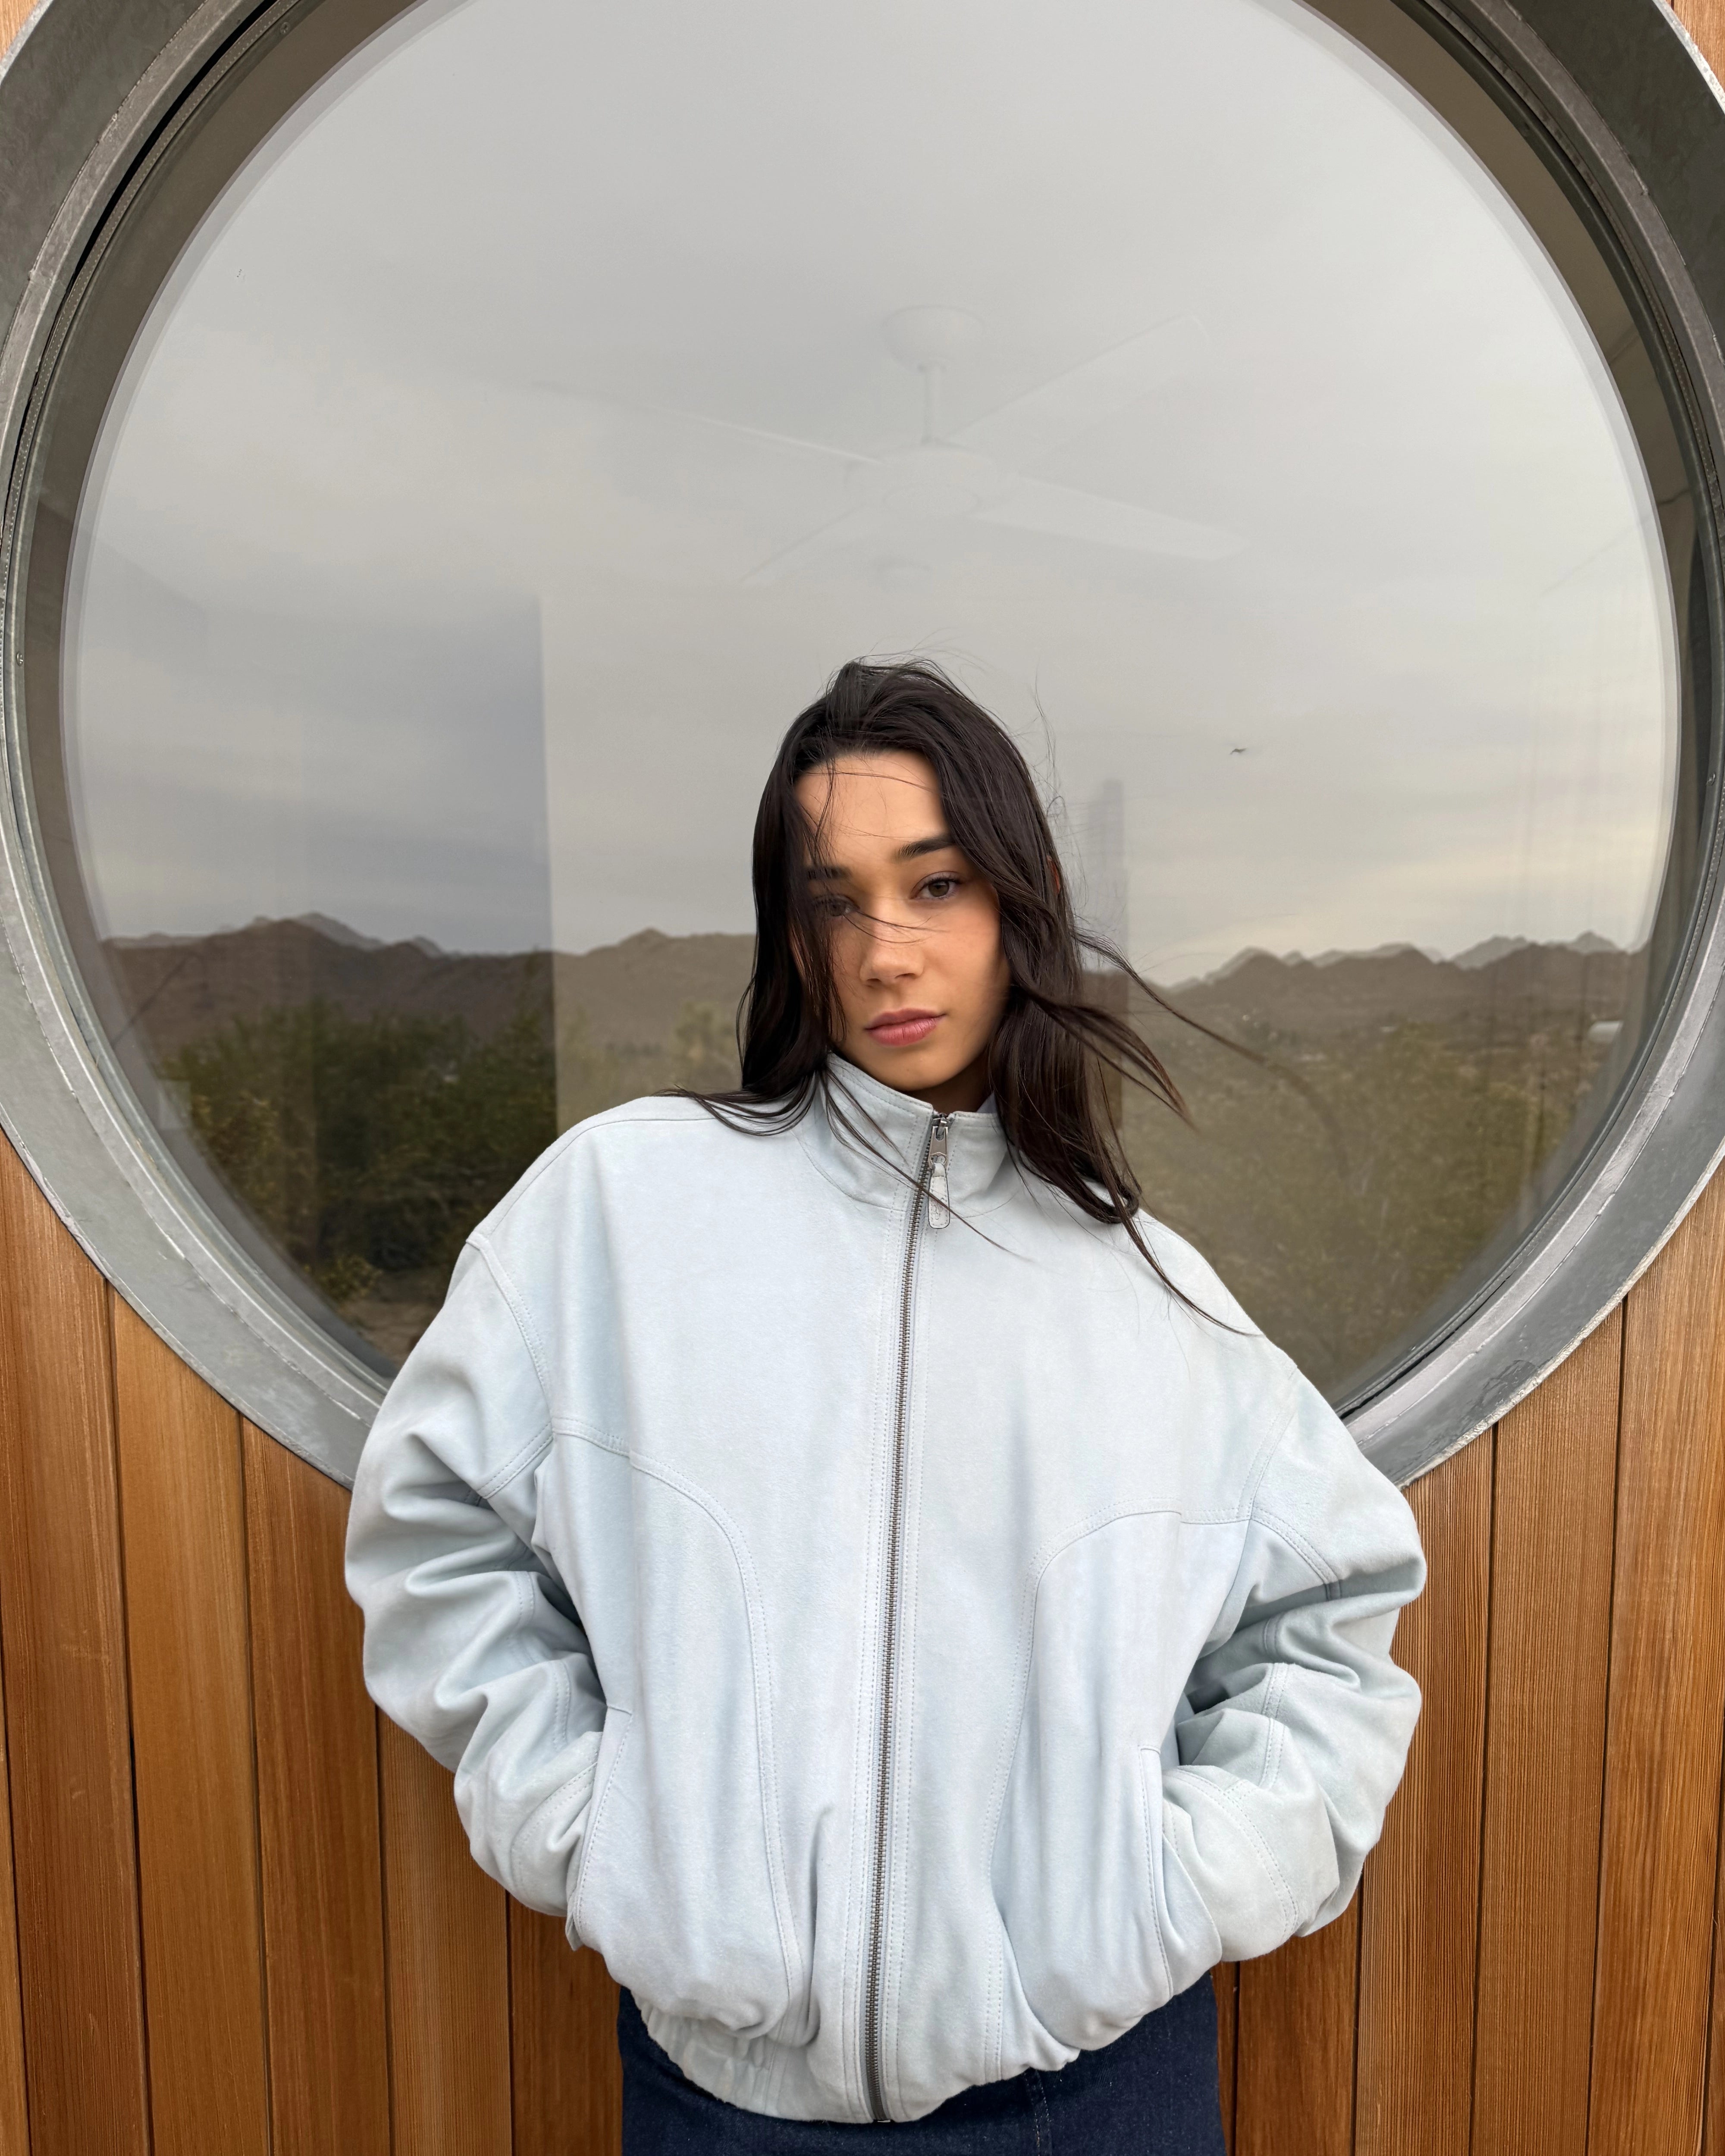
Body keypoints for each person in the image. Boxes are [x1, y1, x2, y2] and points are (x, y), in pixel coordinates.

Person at [345, 658, 1427, 2151]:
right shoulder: (621, 1216)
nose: (884, 953)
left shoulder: (1152, 1299)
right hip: (728, 2103)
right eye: (833, 902)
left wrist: (1168, 1894)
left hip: (1090, 2096)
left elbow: (1329, 1630)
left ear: (1021, 904)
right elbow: (434, 1535)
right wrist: (601, 1838)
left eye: (936, 885)